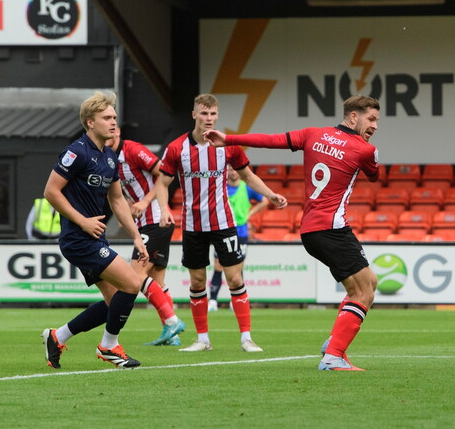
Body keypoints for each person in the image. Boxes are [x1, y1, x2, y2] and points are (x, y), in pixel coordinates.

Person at [203, 95, 380, 371]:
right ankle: (333, 355)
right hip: (331, 228)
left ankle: (335, 342)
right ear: (354, 117)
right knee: (362, 293)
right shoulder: (365, 149)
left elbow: (271, 140)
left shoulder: (312, 134)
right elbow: (373, 175)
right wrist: (367, 150)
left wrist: (229, 139)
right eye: (371, 119)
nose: (375, 126)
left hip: (312, 228)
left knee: (369, 281)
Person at [155, 94, 287, 353]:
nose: (209, 119)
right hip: (193, 226)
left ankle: (246, 338)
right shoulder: (176, 148)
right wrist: (163, 209)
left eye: (213, 114)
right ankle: (202, 340)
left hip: (224, 223)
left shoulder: (228, 145)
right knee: (197, 283)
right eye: (204, 114)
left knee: (235, 279)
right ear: (194, 114)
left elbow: (247, 175)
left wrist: (270, 194)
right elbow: (162, 182)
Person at [40, 92, 149, 369]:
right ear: (90, 122)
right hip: (78, 239)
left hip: (94, 238)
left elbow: (117, 199)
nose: (114, 122)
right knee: (133, 284)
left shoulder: (110, 157)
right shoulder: (76, 151)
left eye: (114, 117)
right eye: (107, 118)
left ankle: (57, 336)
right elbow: (51, 192)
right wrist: (82, 220)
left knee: (116, 302)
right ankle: (108, 346)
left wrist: (136, 235)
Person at [106, 126, 186, 346]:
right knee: (157, 280)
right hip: (147, 223)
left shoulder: (132, 150)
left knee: (135, 277)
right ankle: (173, 335)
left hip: (156, 220)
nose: (109, 136)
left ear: (118, 132)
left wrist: (145, 201)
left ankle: (172, 322)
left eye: (113, 130)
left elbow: (165, 173)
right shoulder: (107, 159)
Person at [208, 165, 269, 312]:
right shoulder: (221, 187)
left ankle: (234, 300)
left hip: (241, 232)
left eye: (235, 169)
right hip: (222, 230)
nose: (233, 172)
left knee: (238, 266)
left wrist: (249, 215)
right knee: (218, 264)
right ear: (226, 171)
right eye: (230, 169)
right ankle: (213, 300)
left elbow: (265, 201)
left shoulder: (246, 187)